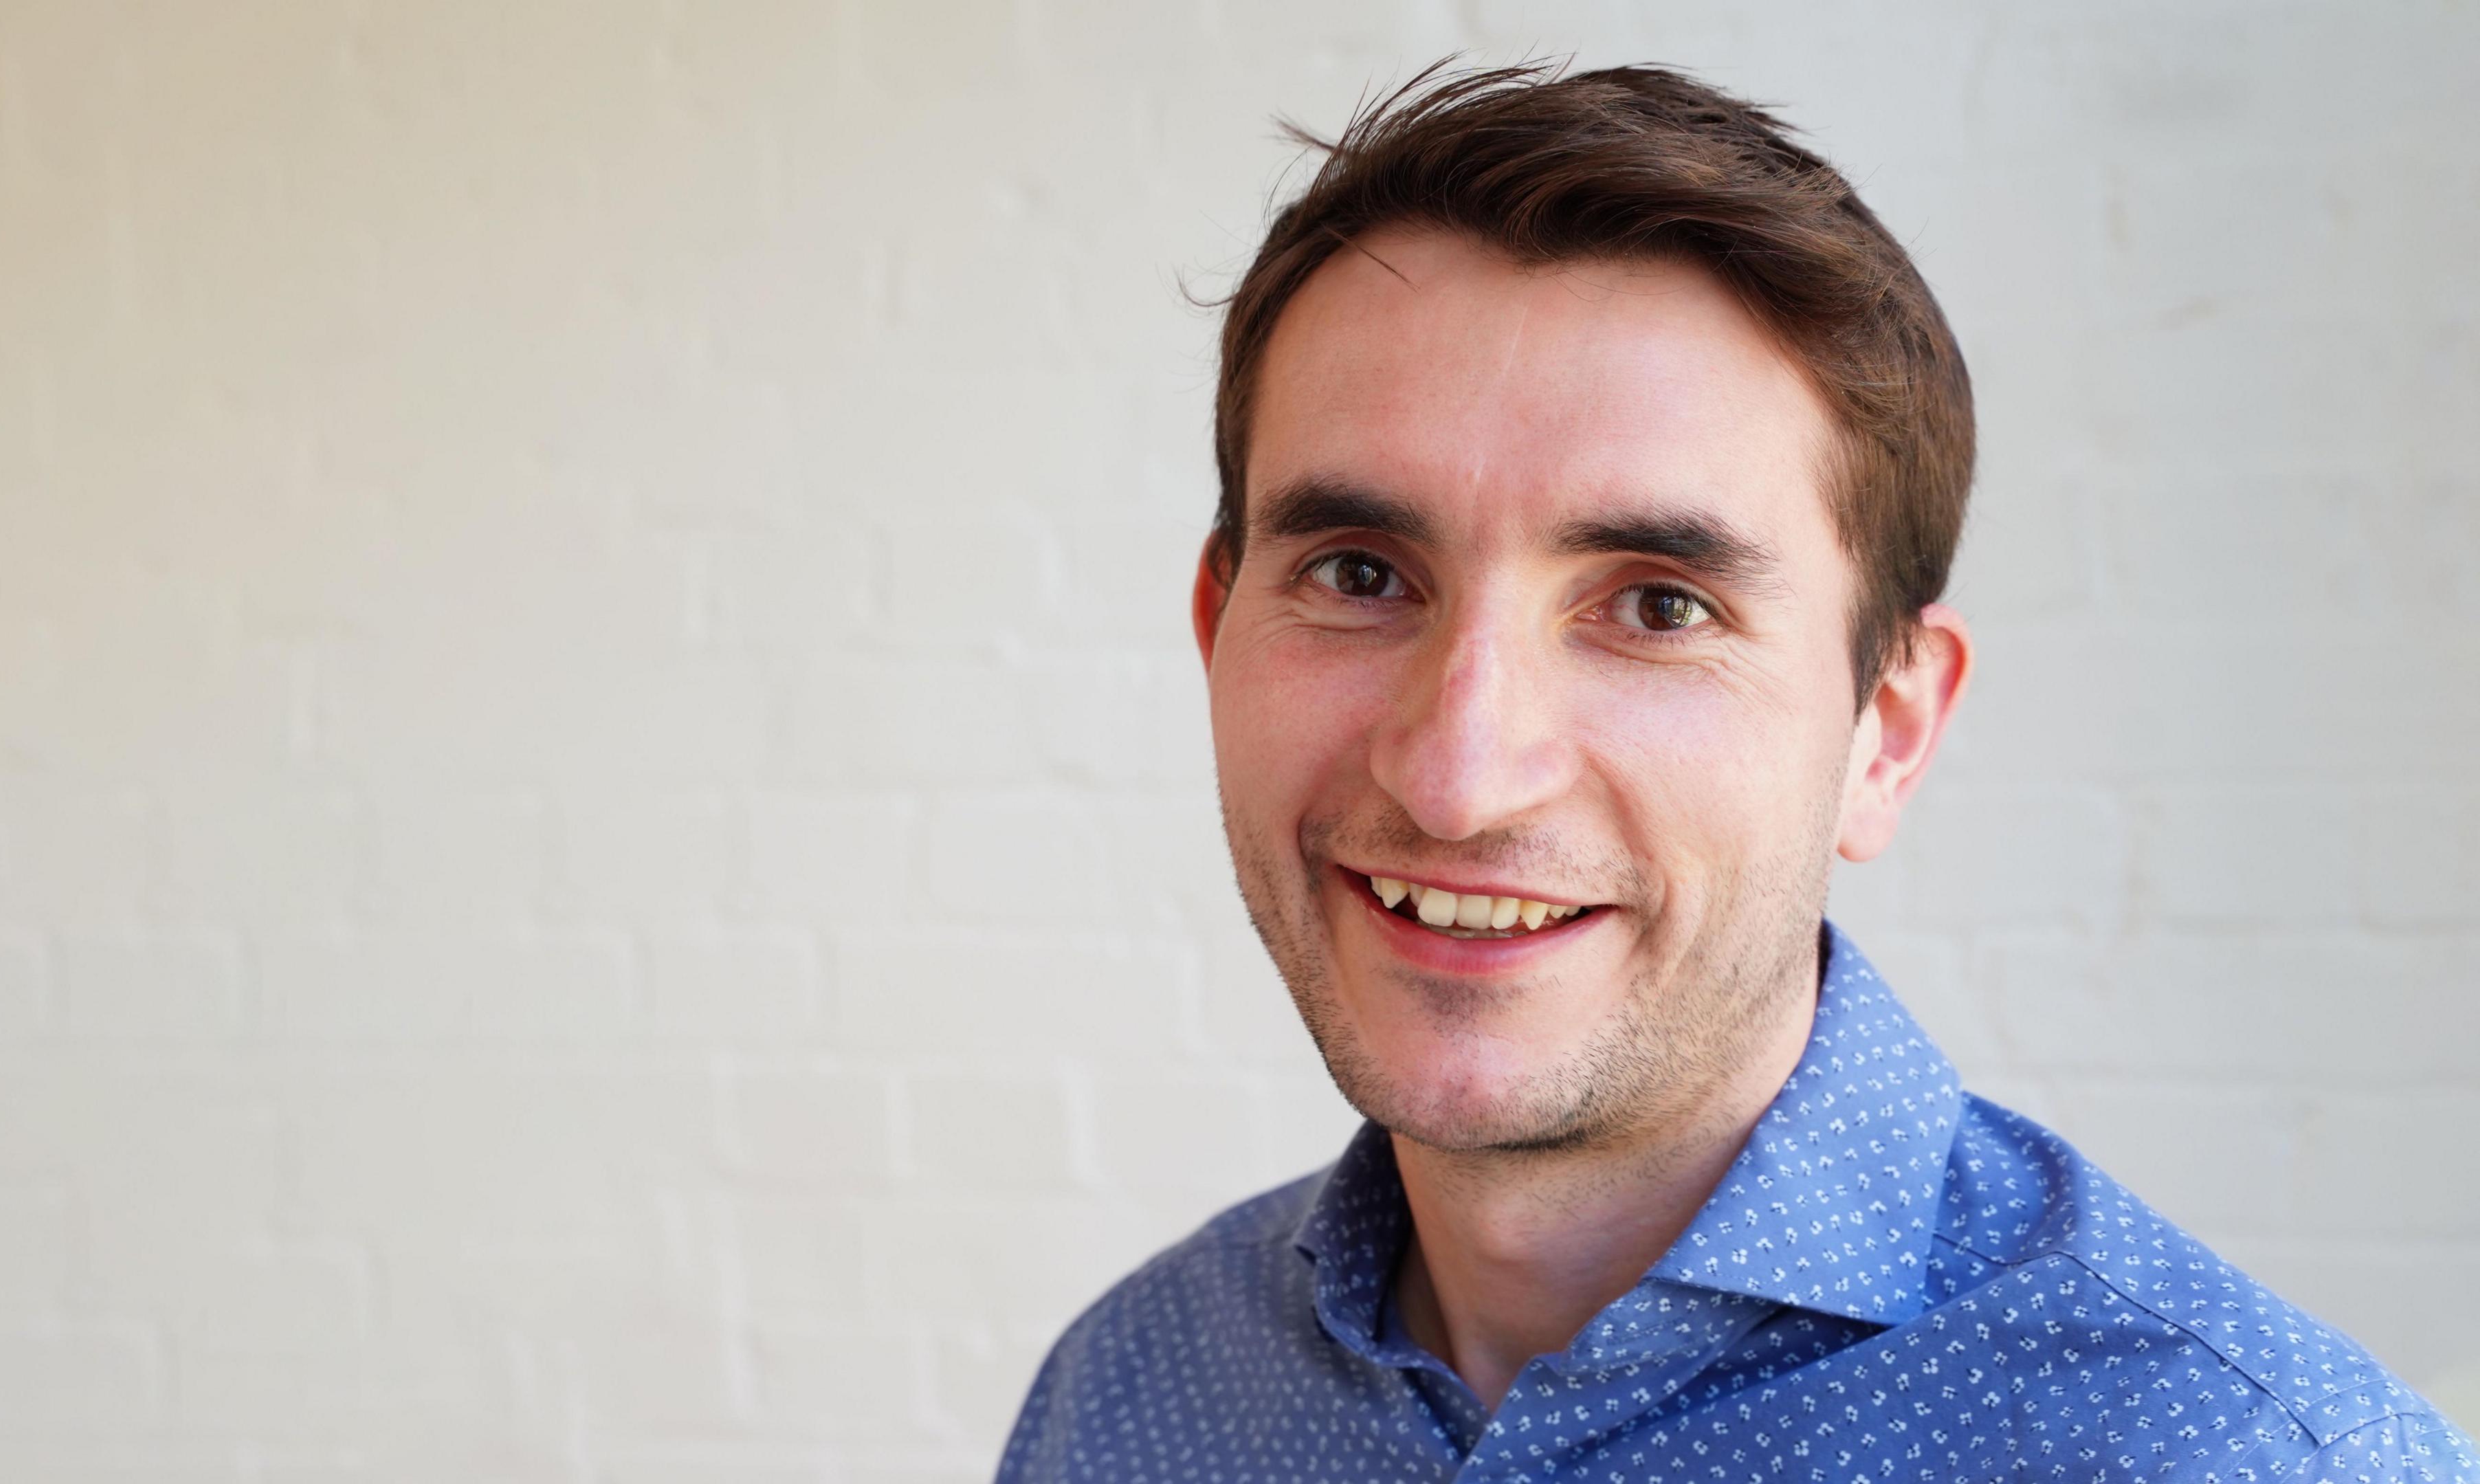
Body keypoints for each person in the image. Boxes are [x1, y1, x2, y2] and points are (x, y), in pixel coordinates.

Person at [993, 63, 2478, 1482]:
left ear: (1886, 731)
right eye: (1361, 573)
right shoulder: (1129, 1393)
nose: (1458, 778)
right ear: (1217, 632)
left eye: (1657, 606)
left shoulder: (2244, 1462)